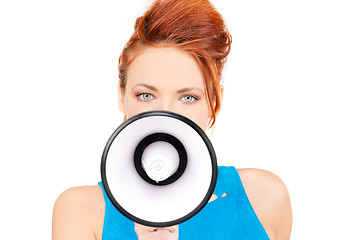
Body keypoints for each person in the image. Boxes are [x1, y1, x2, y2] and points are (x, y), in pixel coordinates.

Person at [52, 0, 292, 239]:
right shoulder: (81, 211)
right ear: (121, 96)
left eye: (188, 97)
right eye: (146, 95)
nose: (165, 114)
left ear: (214, 104)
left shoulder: (264, 198)